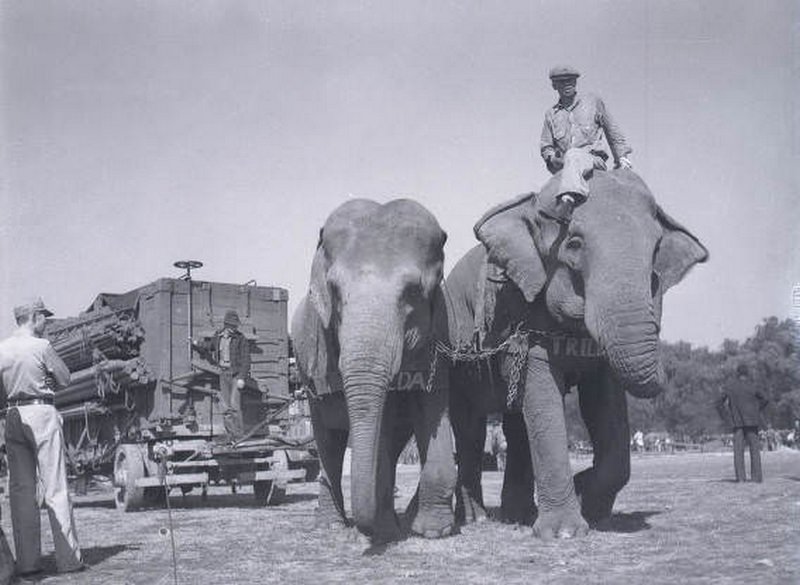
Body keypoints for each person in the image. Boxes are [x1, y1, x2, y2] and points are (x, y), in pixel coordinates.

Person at [0, 298, 84, 577]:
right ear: (34, 317)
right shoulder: (42, 346)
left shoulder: (2, 348)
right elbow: (65, 379)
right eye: (44, 317)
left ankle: (27, 564)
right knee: (55, 489)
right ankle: (69, 560)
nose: (46, 322)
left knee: (21, 492)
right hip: (42, 412)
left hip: (13, 416)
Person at [539, 65, 633, 218]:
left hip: (593, 161)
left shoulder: (593, 102)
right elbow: (546, 145)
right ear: (554, 86)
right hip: (564, 166)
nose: (568, 85)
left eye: (571, 81)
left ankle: (568, 199)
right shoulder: (551, 114)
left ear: (576, 82)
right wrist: (551, 157)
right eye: (562, 82)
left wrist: (622, 158)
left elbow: (612, 130)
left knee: (573, 154)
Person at [195, 310, 251, 440]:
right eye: (232, 326)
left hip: (236, 375)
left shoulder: (241, 339)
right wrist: (197, 344)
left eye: (235, 326)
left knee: (235, 406)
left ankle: (239, 437)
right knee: (226, 407)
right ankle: (231, 434)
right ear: (226, 325)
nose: (234, 328)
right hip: (224, 375)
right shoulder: (218, 336)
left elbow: (246, 359)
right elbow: (210, 347)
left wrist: (242, 377)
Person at [719, 363, 769, 483]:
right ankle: (756, 478)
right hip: (752, 421)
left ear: (737, 373)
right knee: (755, 450)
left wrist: (726, 417)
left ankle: (740, 478)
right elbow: (766, 399)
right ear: (747, 373)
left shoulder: (730, 386)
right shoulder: (753, 385)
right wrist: (757, 410)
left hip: (736, 423)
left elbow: (718, 402)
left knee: (738, 451)